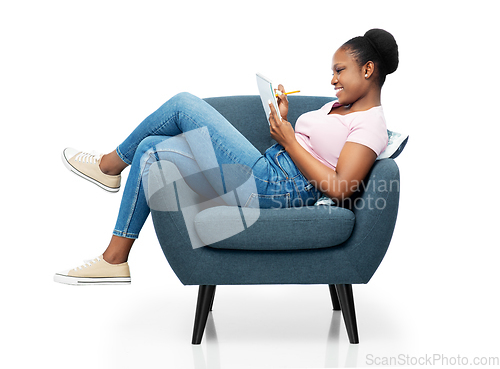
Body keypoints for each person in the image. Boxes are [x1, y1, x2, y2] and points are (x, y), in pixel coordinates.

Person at [54, 28, 399, 285]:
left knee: (183, 103)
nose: (333, 79)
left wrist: (291, 142)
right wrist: (281, 120)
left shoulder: (370, 125)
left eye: (340, 70)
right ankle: (115, 260)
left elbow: (341, 188)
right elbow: (311, 146)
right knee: (150, 150)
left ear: (367, 70)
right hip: (271, 169)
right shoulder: (337, 107)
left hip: (278, 188)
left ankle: (108, 165)